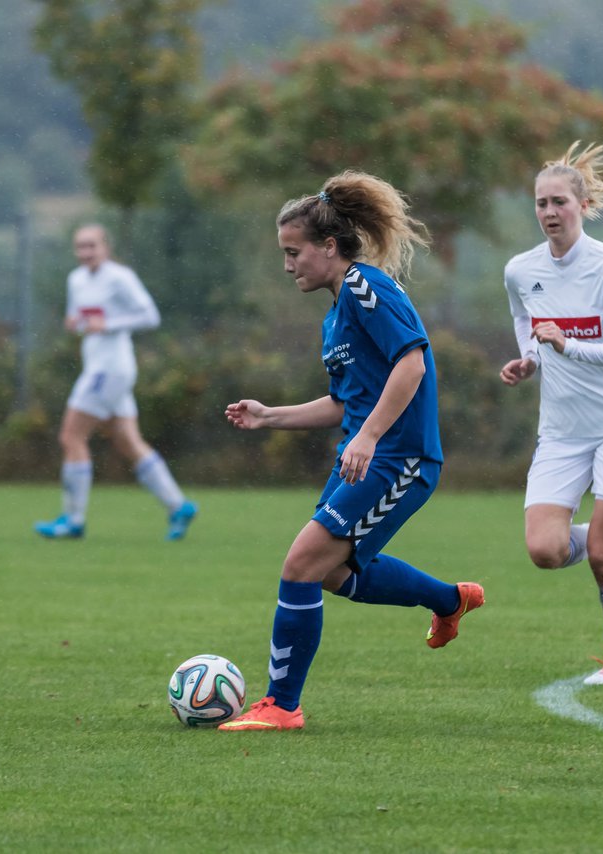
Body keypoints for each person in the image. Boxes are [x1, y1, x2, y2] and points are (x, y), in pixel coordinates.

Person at [218, 171, 484, 731]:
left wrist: (367, 437)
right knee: (332, 575)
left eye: (295, 253)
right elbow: (346, 403)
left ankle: (282, 705)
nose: (288, 265)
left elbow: (411, 361)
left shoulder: (367, 286)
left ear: (329, 247)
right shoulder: (335, 314)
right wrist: (272, 416)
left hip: (399, 458)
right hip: (367, 454)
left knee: (300, 564)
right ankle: (447, 600)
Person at [499, 141, 603, 687]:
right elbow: (526, 319)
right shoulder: (521, 270)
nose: (548, 213)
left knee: (601, 560)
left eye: (559, 202)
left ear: (582, 205)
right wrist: (530, 360)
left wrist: (569, 347)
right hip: (562, 432)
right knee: (543, 550)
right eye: (541, 203)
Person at [33, 224, 197, 541]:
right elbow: (80, 321)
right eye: (80, 246)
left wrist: (108, 324)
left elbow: (150, 316)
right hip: (99, 367)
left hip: (110, 370)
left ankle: (73, 520)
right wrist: (76, 324)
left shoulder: (120, 277)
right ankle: (179, 506)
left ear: (105, 247)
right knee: (127, 441)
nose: (85, 252)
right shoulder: (76, 279)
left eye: (91, 246)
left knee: (71, 436)